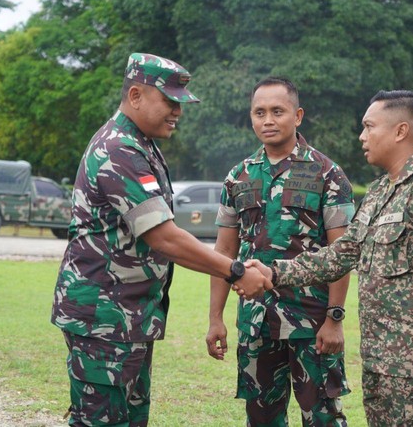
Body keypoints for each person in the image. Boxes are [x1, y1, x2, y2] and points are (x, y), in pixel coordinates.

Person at [51, 53, 266, 426]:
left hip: (125, 318)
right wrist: (234, 270)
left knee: (131, 418)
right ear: (135, 95)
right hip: (104, 320)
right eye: (169, 101)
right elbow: (164, 238)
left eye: (181, 103)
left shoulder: (140, 144)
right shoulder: (119, 150)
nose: (178, 111)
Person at [243, 90, 413, 426]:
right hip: (381, 363)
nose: (362, 137)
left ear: (400, 131)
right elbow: (340, 255)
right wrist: (274, 273)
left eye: (369, 127)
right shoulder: (379, 192)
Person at [205, 76, 355, 426]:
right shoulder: (238, 176)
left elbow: (342, 252)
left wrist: (334, 318)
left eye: (277, 111)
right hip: (256, 323)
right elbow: (224, 250)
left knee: (323, 418)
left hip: (312, 322)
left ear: (298, 115)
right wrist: (216, 318)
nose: (268, 120)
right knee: (261, 418)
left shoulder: (327, 174)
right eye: (259, 112)